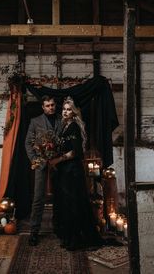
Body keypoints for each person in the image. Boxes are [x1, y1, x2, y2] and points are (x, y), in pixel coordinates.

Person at [49, 97, 104, 251]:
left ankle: (75, 240)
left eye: (68, 109)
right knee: (67, 204)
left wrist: (57, 160)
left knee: (72, 205)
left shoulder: (73, 126)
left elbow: (75, 152)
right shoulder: (64, 126)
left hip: (72, 171)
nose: (65, 112)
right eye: (64, 109)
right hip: (65, 171)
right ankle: (69, 237)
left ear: (73, 113)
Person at [25, 95, 62, 246]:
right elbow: (28, 143)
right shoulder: (35, 121)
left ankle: (60, 228)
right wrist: (35, 160)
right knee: (38, 198)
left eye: (52, 105)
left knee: (61, 196)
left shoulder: (62, 119)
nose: (50, 108)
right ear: (43, 107)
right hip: (41, 163)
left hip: (59, 163)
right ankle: (34, 231)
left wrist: (60, 158)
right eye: (47, 105)